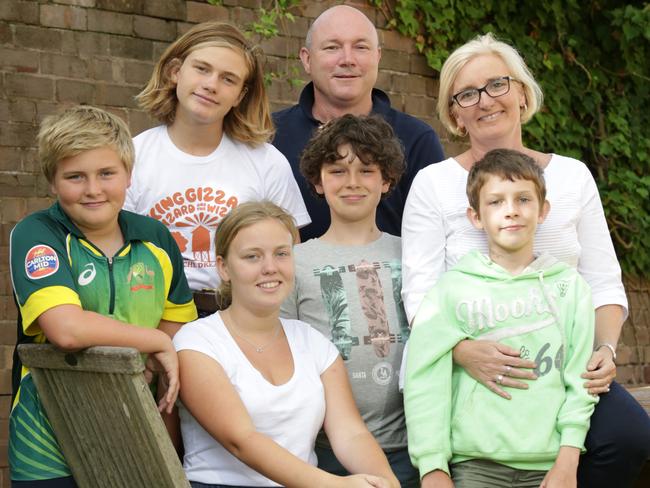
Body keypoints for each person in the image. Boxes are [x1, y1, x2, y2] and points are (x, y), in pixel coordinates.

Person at [401, 33, 650, 487]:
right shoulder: (433, 184)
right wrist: (461, 351)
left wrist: (604, 351)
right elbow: (420, 292)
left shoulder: (572, 177)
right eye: (467, 94)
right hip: (472, 358)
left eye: (497, 84)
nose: (485, 101)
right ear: (455, 113)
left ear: (521, 92)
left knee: (629, 434)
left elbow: (604, 281)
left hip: (562, 355)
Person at [8, 106, 197, 487]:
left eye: (106, 174)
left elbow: (179, 316)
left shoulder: (155, 237)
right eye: (75, 176)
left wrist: (147, 364)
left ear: (128, 175)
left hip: (132, 417)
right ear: (52, 182)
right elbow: (67, 329)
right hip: (46, 432)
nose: (93, 189)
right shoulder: (36, 233)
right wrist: (152, 342)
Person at [405, 148, 599, 488]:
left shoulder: (571, 289)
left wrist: (568, 460)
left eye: (523, 199)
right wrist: (432, 466)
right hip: (474, 464)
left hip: (550, 464)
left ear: (543, 211)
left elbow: (580, 382)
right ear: (476, 216)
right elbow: (425, 380)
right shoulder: (450, 291)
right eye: (496, 202)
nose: (511, 211)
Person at [173, 201, 400, 488]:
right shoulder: (197, 342)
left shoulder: (312, 341)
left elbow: (350, 433)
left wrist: (386, 481)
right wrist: (335, 485)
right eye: (252, 257)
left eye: (281, 254)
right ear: (224, 267)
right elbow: (242, 440)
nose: (270, 268)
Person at [124, 21, 310, 316]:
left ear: (239, 95)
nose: (211, 84)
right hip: (152, 316)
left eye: (228, 79)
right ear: (175, 72)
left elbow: (290, 257)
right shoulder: (132, 157)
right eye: (202, 69)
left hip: (240, 317)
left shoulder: (266, 162)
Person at [281, 115, 418, 487]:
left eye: (367, 170)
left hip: (409, 447)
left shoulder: (413, 256)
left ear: (386, 180)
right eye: (337, 170)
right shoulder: (294, 261)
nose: (352, 182)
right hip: (323, 449)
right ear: (317, 182)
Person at [272, 4, 445, 241]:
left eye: (360, 47)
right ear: (307, 59)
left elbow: (435, 237)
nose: (347, 59)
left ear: (378, 56)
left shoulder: (417, 139)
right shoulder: (271, 136)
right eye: (332, 47)